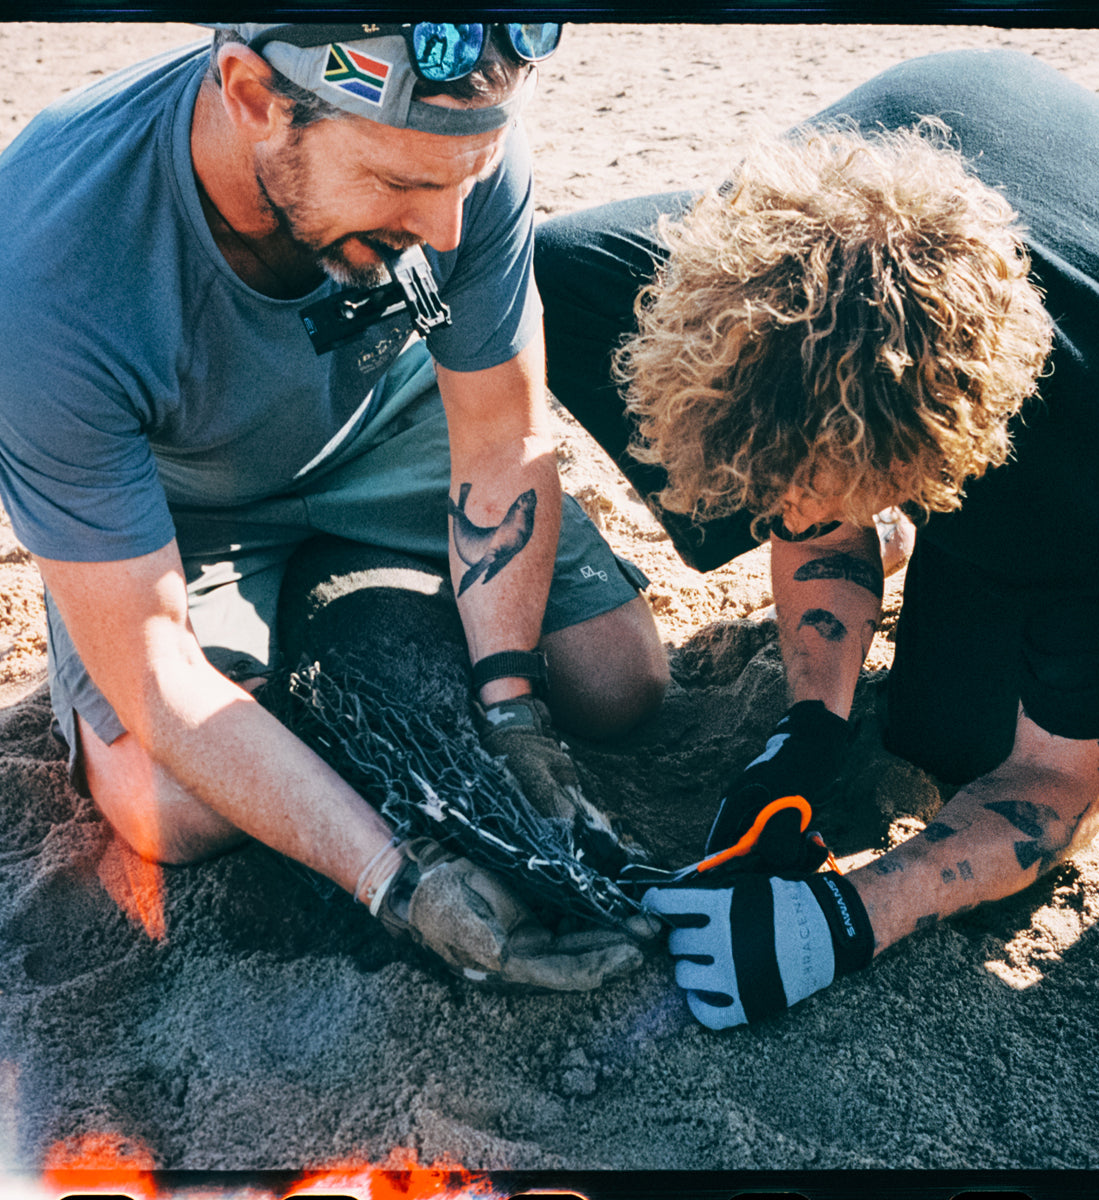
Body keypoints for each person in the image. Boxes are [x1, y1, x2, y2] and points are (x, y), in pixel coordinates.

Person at [534, 47, 1099, 1028]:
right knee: (763, 439)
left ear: (933, 464)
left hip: (1097, 333)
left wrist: (851, 918)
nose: (789, 526)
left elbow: (1052, 787)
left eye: (827, 499)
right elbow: (804, 480)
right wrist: (808, 725)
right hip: (886, 182)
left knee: (956, 741)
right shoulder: (676, 283)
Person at [0, 22, 669, 991]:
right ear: (250, 96)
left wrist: (515, 716)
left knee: (618, 686)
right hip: (180, 502)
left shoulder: (452, 143)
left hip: (398, 428)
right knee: (176, 816)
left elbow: (499, 439)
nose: (447, 230)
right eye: (400, 186)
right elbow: (151, 662)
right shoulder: (44, 266)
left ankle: (360, 611)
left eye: (465, 182)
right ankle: (343, 619)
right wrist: (398, 881)